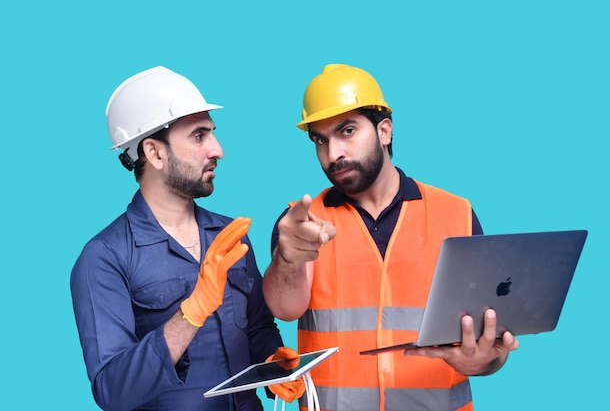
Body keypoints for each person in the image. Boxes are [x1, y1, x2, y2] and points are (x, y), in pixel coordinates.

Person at [262, 63, 520, 411]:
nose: (333, 153)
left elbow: (490, 347)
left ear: (384, 130)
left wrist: (483, 363)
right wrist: (288, 258)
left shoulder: (456, 214)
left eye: (347, 131)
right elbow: (286, 308)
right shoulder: (302, 222)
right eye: (321, 140)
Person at [71, 66, 303, 411]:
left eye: (213, 133)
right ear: (155, 153)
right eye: (199, 136)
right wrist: (191, 313)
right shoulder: (104, 256)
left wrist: (274, 362)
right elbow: (112, 390)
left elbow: (257, 327)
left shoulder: (229, 236)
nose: (218, 149)